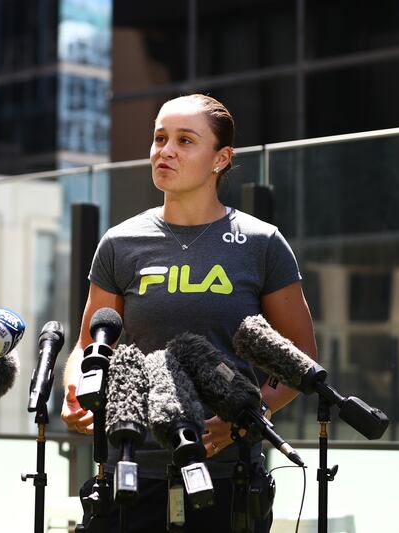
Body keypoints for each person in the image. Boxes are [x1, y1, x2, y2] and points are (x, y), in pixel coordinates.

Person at [61, 94, 318, 532]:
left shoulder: (262, 243)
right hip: (130, 469)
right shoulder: (120, 242)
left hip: (228, 475)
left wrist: (243, 421)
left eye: (184, 140)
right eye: (160, 138)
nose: (166, 150)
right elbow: (88, 343)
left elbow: (299, 355)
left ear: (221, 158)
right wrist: (73, 391)